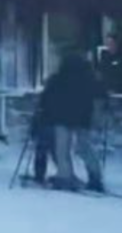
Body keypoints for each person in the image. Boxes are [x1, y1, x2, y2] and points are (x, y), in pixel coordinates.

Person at [39, 50, 108, 192]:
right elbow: (101, 95)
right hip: (83, 117)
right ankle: (95, 176)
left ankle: (65, 176)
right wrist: (99, 113)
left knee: (62, 149)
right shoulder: (90, 78)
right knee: (84, 148)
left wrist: (44, 112)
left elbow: (46, 98)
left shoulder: (58, 78)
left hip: (62, 117)